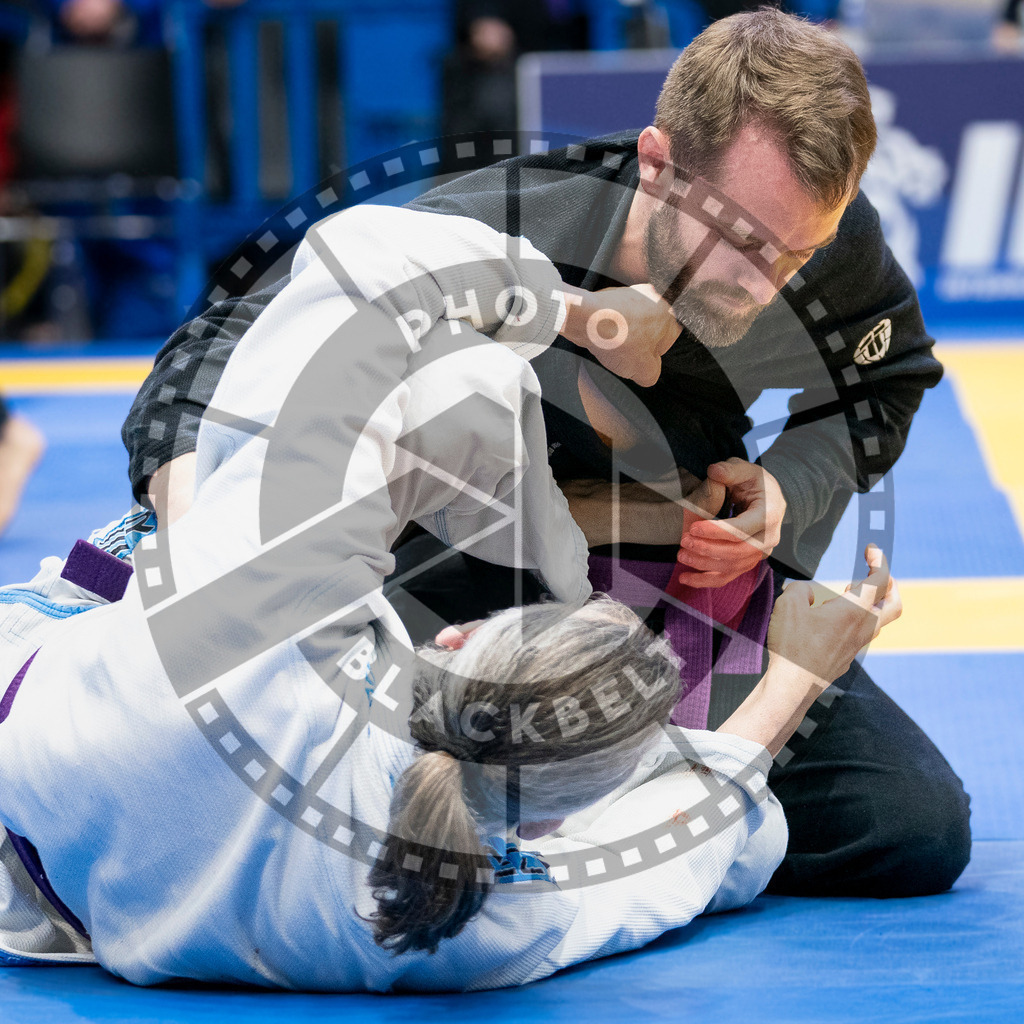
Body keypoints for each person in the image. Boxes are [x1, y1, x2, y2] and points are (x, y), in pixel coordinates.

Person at [120, 9, 970, 898]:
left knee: (907, 824)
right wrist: (203, 548)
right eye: (748, 244)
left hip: (677, 587)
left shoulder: (822, 234)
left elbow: (887, 376)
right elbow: (210, 349)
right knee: (332, 811)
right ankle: (619, 811)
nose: (769, 286)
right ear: (658, 162)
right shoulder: (509, 219)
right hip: (468, 584)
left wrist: (790, 492)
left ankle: (599, 808)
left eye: (799, 255)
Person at [0, 202, 900, 985]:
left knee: (466, 381)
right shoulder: (475, 929)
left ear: (456, 641)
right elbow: (698, 840)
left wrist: (584, 318)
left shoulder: (276, 603)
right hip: (83, 884)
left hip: (73, 722)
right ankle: (566, 528)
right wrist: (797, 679)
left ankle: (551, 529)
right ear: (557, 815)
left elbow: (369, 263)